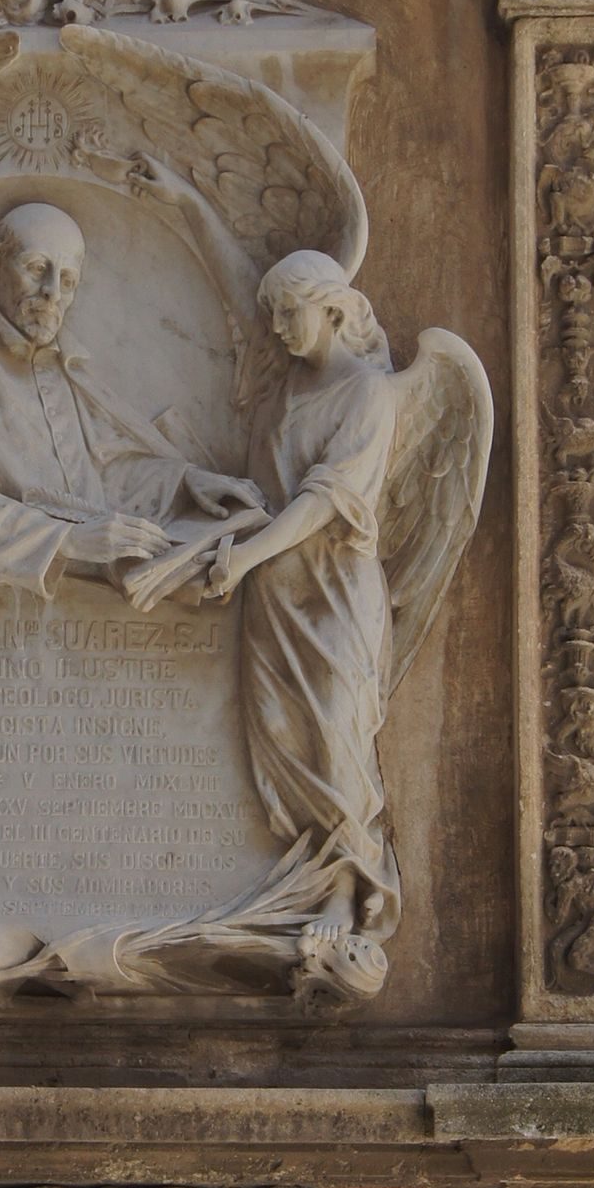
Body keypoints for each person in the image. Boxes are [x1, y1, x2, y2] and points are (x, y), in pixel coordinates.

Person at [0, 201, 255, 597]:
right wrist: (66, 539)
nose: (52, 291)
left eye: (68, 280)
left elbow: (93, 480)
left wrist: (185, 484)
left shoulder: (64, 364)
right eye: (37, 268)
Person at [196, 247, 405, 991]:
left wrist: (246, 557)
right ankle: (310, 876)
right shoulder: (284, 390)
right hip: (273, 598)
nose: (280, 326)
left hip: (332, 593)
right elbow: (267, 488)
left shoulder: (370, 397)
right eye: (274, 314)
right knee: (284, 736)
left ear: (335, 309)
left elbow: (320, 503)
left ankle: (346, 894)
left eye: (292, 311)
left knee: (336, 734)